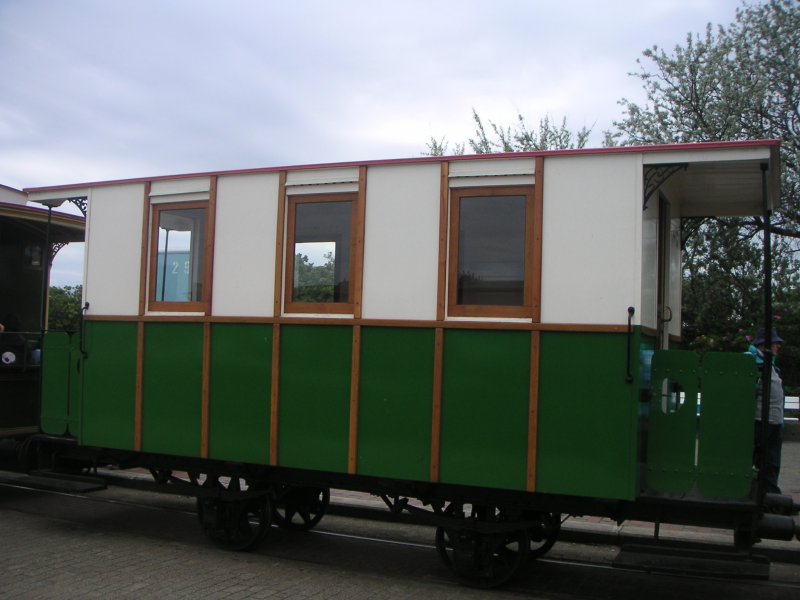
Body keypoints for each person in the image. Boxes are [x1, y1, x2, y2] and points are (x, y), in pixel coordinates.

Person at [747, 328, 785, 494]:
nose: (778, 347)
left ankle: (770, 495)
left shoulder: (770, 365)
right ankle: (768, 496)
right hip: (760, 421)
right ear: (765, 345)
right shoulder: (753, 362)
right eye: (776, 343)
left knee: (771, 462)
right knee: (765, 461)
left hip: (773, 422)